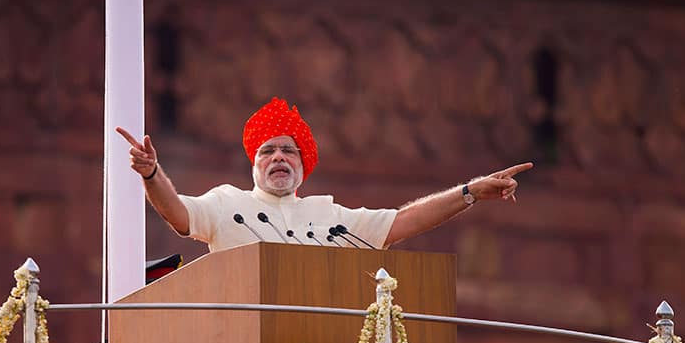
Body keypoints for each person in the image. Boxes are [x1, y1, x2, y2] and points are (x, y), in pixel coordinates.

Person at [116, 97, 532, 252]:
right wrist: (152, 174)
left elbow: (401, 222)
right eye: (268, 150)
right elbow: (178, 216)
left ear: (302, 164)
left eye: (288, 150)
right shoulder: (226, 203)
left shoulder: (331, 220)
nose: (278, 157)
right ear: (254, 163)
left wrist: (470, 191)